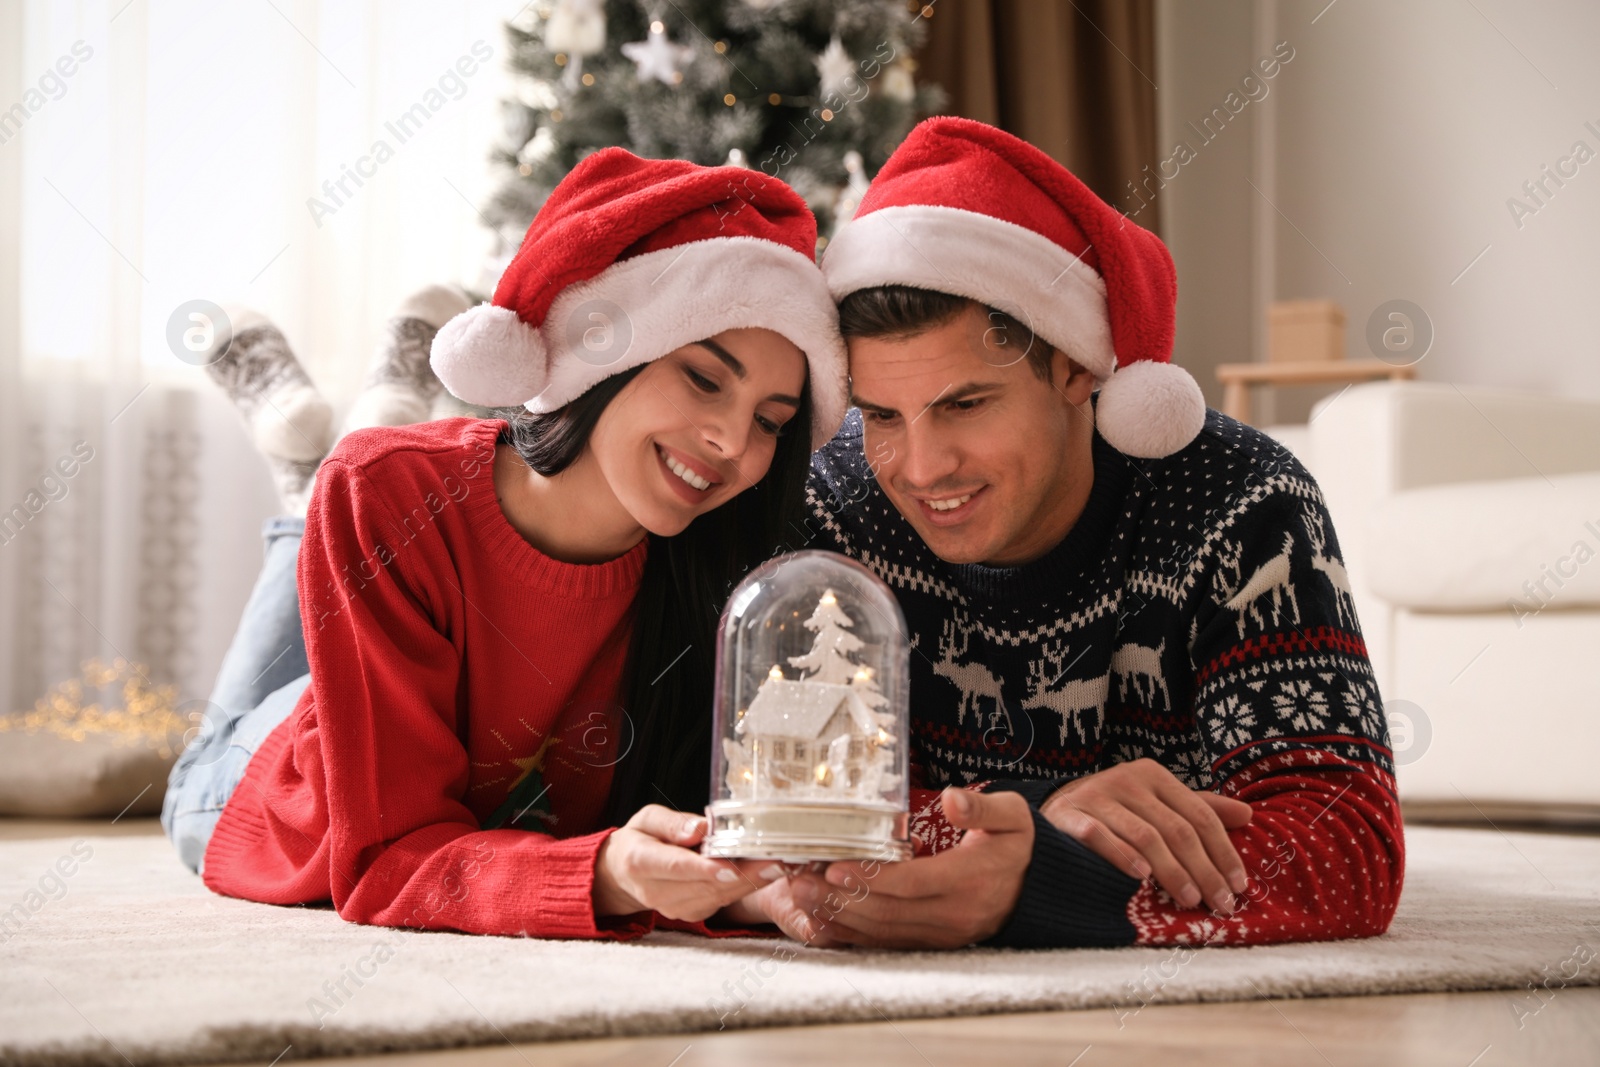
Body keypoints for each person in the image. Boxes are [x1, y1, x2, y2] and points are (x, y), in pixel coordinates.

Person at [723, 117, 1405, 950]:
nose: (921, 466)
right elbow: (774, 811)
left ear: (1079, 367)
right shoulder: (833, 515)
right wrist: (1033, 823)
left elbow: (1349, 844)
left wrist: (1039, 879)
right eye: (881, 416)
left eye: (966, 405)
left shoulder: (1245, 506)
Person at [161, 148, 851, 940]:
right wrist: (598, 875)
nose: (733, 441)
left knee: (347, 497)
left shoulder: (722, 561)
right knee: (342, 491)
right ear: (606, 355)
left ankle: (317, 463)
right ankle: (310, 477)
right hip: (260, 788)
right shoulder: (384, 493)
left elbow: (705, 822)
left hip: (387, 606)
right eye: (702, 377)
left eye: (770, 420)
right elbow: (389, 854)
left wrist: (743, 886)